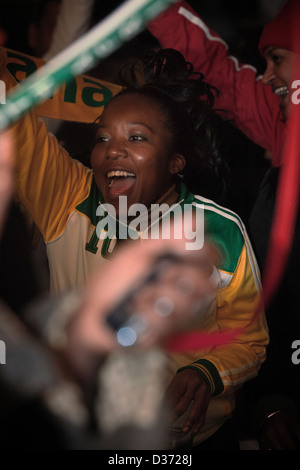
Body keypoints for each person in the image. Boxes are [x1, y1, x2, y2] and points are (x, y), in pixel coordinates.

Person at [5, 46, 268, 449]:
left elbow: (248, 340)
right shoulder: (67, 197)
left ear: (175, 161)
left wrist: (206, 373)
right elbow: (13, 119)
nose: (113, 149)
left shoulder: (220, 230)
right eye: (102, 137)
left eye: (137, 137)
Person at [147, 0, 300, 449]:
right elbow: (216, 71)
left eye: (278, 59)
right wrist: (274, 402)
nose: (267, 75)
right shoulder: (281, 128)